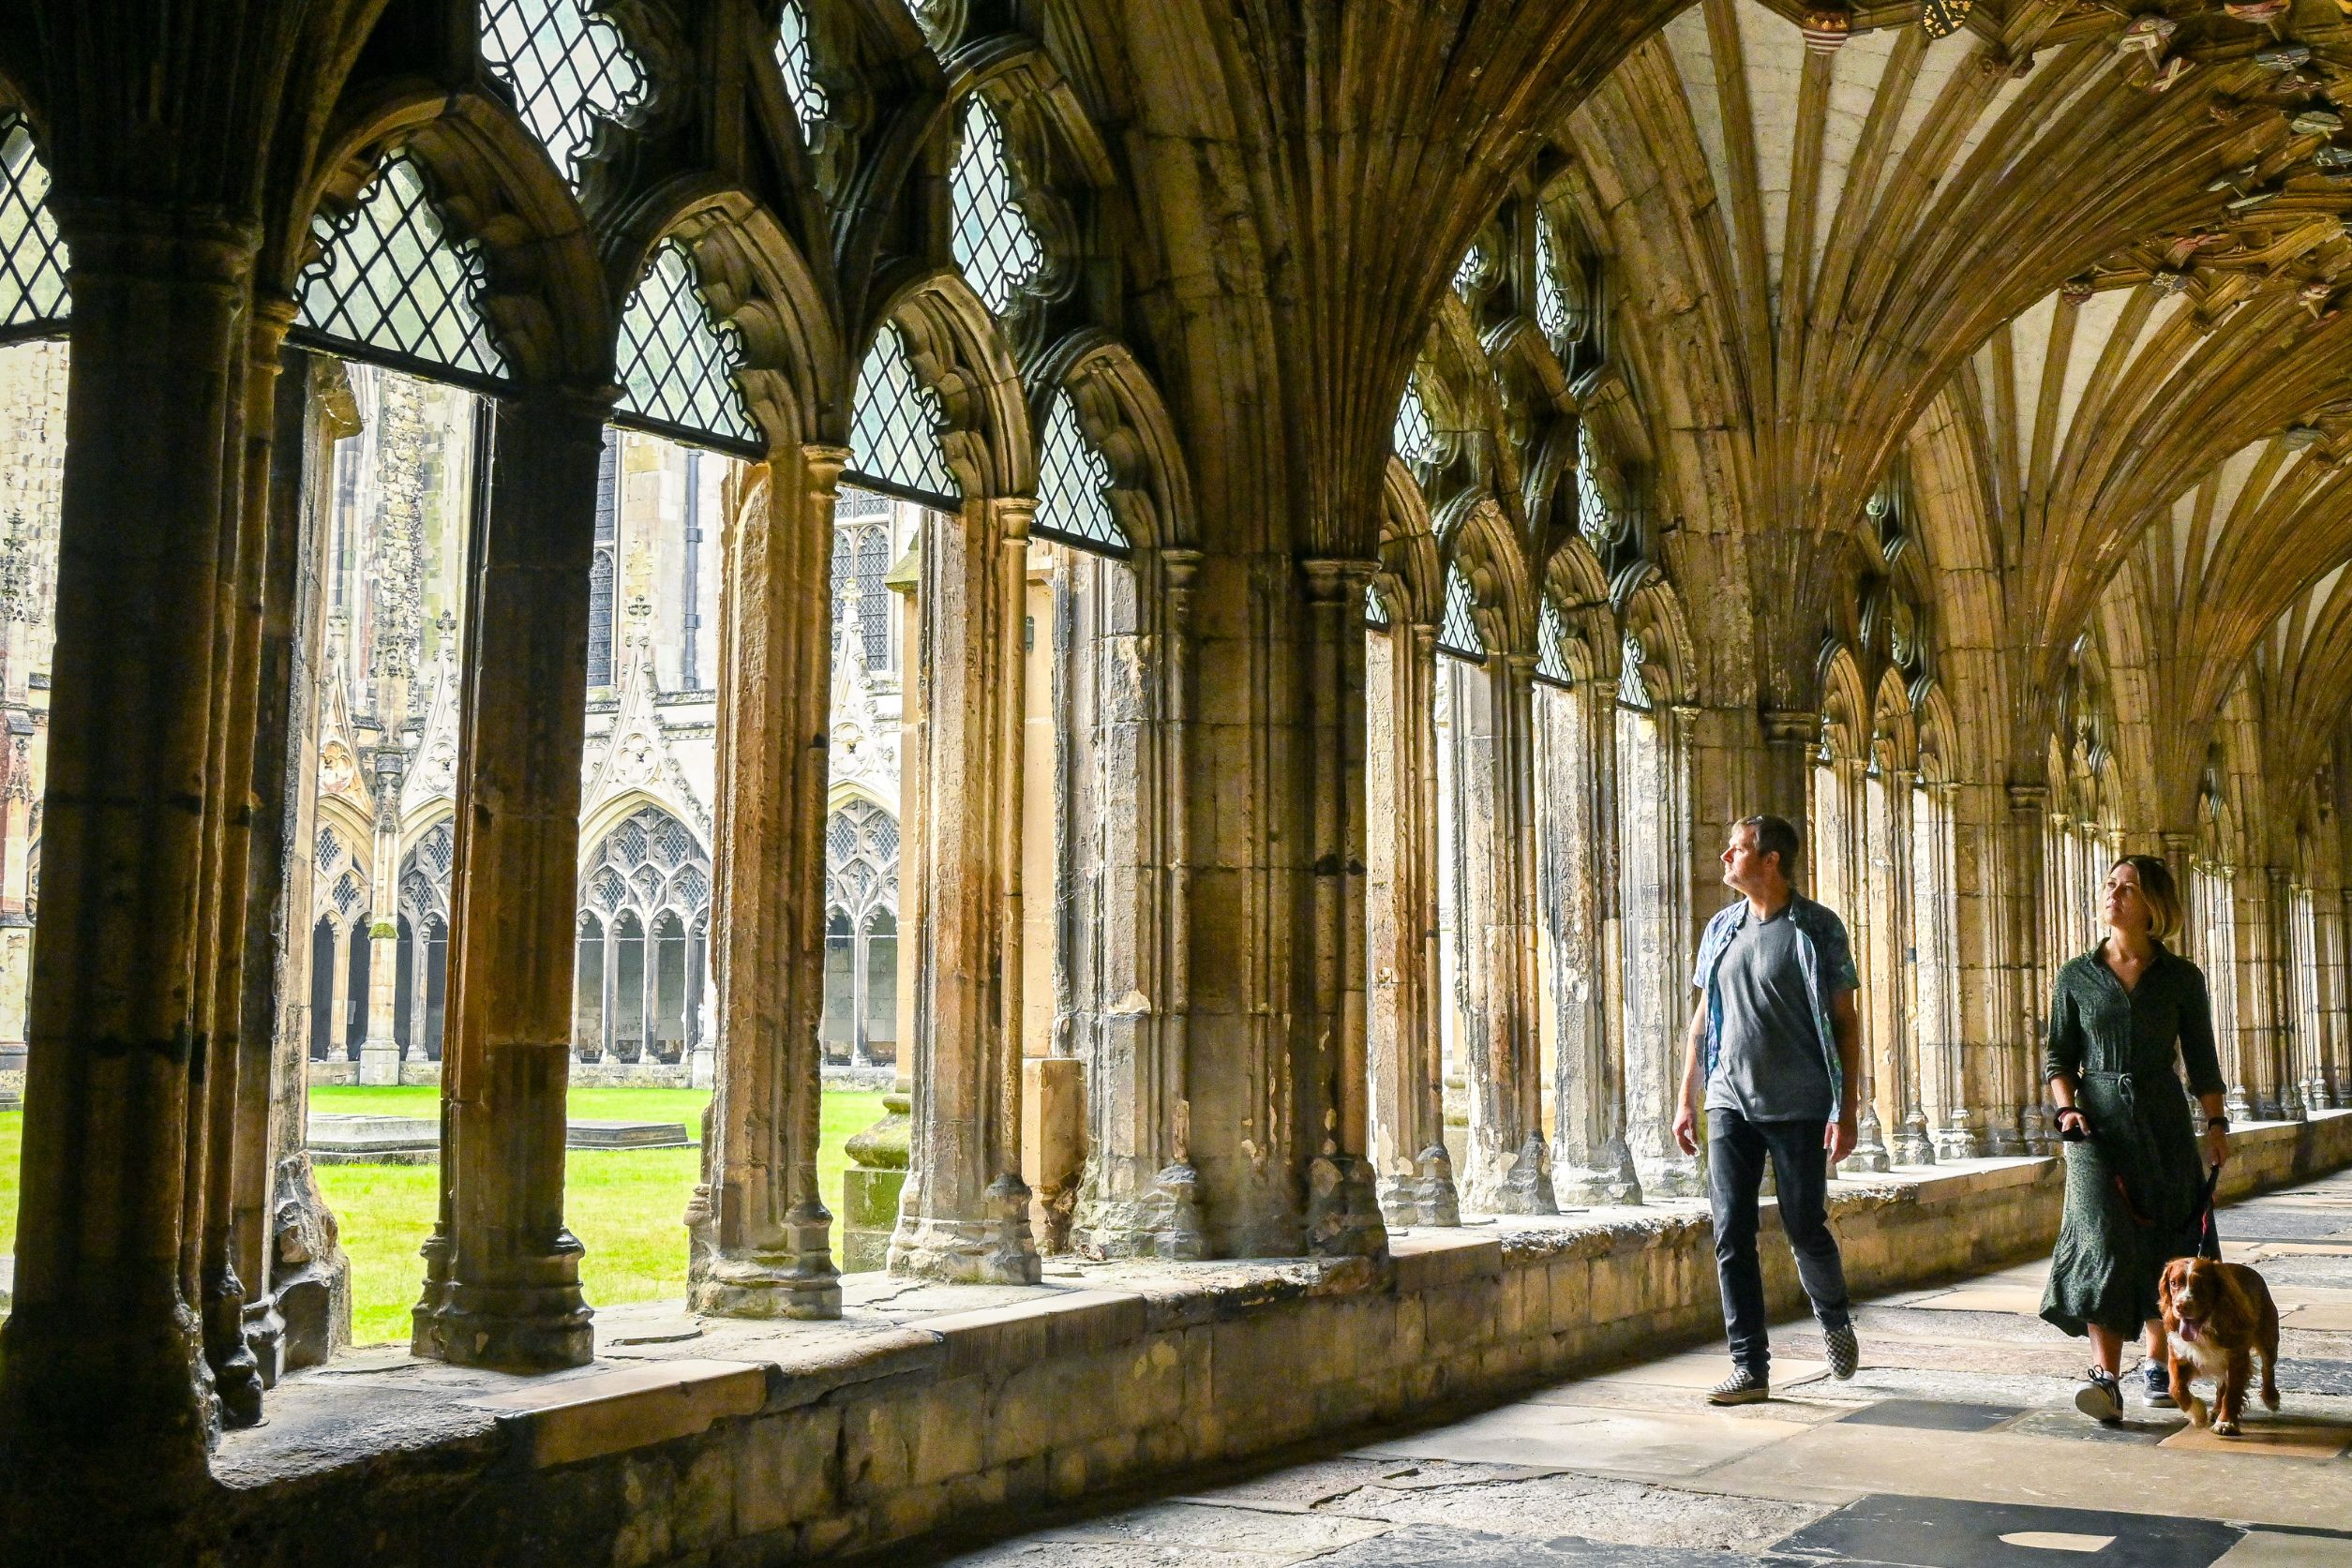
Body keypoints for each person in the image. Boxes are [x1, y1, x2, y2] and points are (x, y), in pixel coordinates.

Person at [1675, 814, 1864, 1406]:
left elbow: (1845, 1023)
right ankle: (1748, 1365)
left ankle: (1833, 1319)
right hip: (1729, 1099)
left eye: (1735, 850)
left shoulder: (1818, 928)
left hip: (1799, 1103)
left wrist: (1847, 1107)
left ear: (1770, 859)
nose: (1725, 859)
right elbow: (1705, 1017)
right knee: (1731, 1230)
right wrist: (1688, 1096)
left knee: (1805, 1226)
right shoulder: (1722, 928)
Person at [2041, 854, 2230, 1423]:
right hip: (2095, 1126)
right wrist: (2067, 1108)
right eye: (2110, 886)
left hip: (2163, 1122)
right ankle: (2104, 1375)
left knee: (2166, 1240)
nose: (2114, 895)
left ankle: (2157, 1357)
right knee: (2101, 1240)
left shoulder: (2180, 978)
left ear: (2154, 906)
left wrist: (2216, 1125)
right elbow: (2058, 1054)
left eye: (2128, 889)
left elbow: (2201, 1059)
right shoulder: (2077, 975)